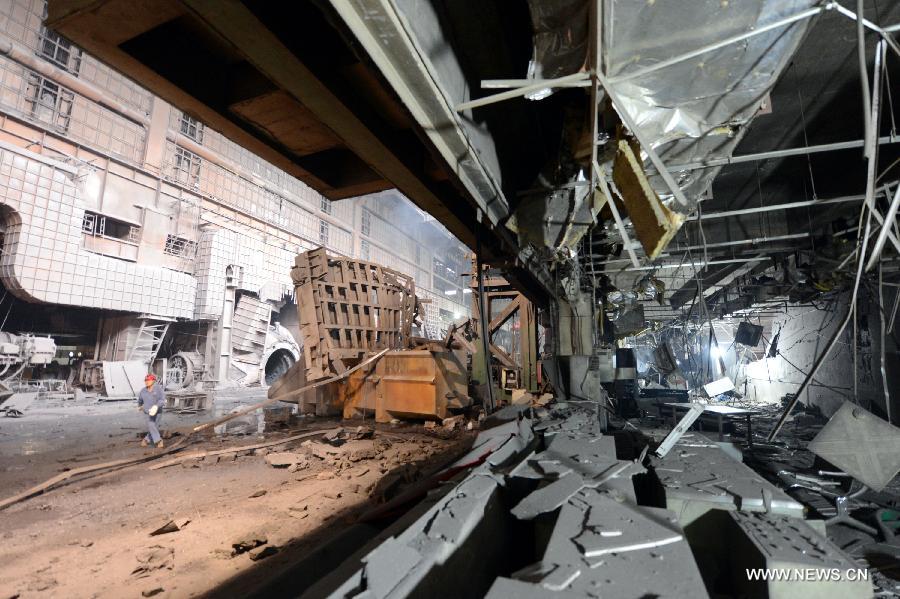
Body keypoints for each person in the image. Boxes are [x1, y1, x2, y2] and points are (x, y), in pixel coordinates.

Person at [138, 374, 166, 448]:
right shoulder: (143, 391)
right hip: (147, 412)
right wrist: (140, 406)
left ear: (153, 381)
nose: (147, 382)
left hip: (158, 411)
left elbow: (162, 400)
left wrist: (156, 406)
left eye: (149, 380)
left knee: (154, 427)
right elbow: (140, 400)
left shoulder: (158, 389)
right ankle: (159, 440)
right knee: (151, 425)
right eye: (146, 380)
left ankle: (146, 439)